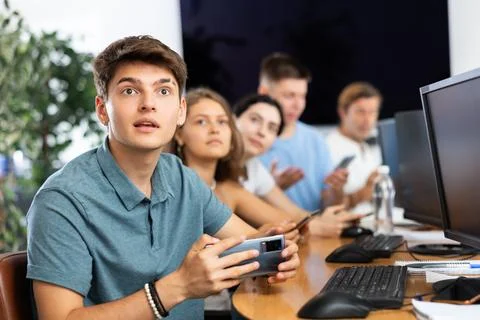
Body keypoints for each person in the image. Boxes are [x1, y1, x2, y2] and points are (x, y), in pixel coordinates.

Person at [26, 35, 299, 320]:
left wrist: (276, 254)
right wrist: (176, 288)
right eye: (130, 91)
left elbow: (249, 243)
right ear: (102, 110)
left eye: (163, 91)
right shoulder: (61, 201)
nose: (148, 104)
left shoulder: (180, 177)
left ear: (180, 111)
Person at [233, 93, 366, 237]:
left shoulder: (254, 167)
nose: (261, 132)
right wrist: (314, 226)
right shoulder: (218, 169)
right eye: (254, 120)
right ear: (233, 120)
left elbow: (294, 213)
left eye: (271, 128)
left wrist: (325, 220)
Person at [173, 87, 300, 232]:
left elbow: (290, 224)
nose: (215, 129)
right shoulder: (171, 189)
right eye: (201, 121)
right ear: (179, 135)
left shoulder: (230, 189)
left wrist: (272, 232)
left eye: (222, 122)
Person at [257, 52, 348, 211]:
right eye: (289, 96)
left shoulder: (315, 139)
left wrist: (336, 190)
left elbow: (328, 205)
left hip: (318, 231)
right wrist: (271, 190)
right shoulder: (250, 142)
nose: (298, 105)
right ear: (264, 93)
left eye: (302, 96)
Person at [326, 82, 382, 212]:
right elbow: (327, 206)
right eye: (360, 112)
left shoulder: (366, 147)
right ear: (343, 113)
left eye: (372, 112)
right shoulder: (328, 149)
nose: (367, 120)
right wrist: (364, 192)